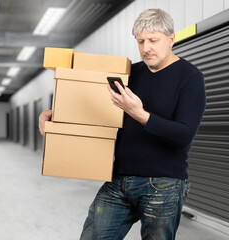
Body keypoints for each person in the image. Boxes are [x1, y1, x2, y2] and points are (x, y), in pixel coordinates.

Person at [38, 8, 206, 240]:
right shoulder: (130, 73)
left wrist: (140, 114)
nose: (146, 48)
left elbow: (184, 134)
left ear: (171, 38)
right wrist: (54, 115)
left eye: (153, 41)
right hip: (119, 179)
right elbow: (98, 110)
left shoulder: (190, 77)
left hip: (164, 184)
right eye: (140, 41)